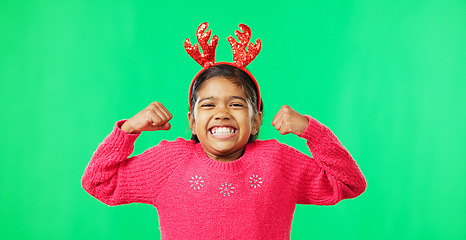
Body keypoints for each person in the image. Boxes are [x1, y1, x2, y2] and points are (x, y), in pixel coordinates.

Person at [82, 23, 366, 239]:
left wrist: (311, 130)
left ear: (256, 122)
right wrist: (128, 130)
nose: (222, 113)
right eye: (208, 105)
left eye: (236, 104)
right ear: (192, 122)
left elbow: (349, 183)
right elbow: (98, 183)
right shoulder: (170, 161)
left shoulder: (277, 161)